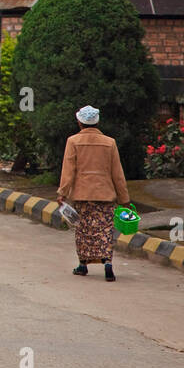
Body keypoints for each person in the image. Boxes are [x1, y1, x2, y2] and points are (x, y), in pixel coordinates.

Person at [58, 105, 130, 281]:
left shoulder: (73, 141)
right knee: (105, 230)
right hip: (105, 194)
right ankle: (108, 264)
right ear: (97, 122)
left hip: (82, 194)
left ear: (79, 122)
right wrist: (124, 198)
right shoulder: (109, 142)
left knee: (83, 230)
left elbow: (69, 170)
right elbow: (117, 173)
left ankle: (83, 265)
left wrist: (63, 193)